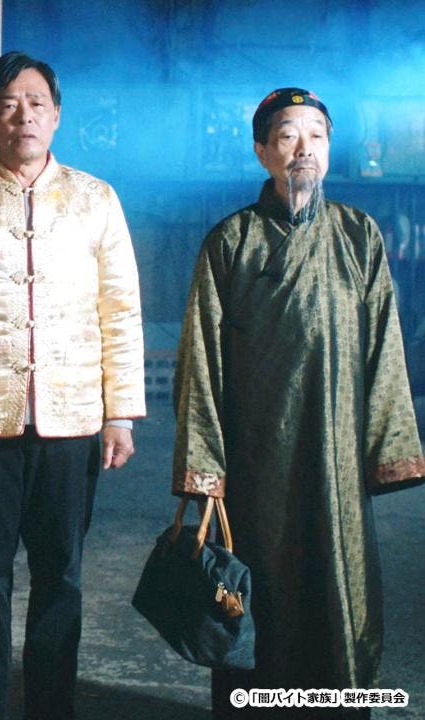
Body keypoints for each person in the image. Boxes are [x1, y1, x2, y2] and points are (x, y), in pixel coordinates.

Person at [0, 51, 146, 720]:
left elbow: (119, 310)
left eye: (36, 102)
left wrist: (120, 413)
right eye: (7, 105)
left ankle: (51, 707)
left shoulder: (96, 199)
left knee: (61, 576)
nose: (23, 116)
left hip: (72, 421)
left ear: (57, 114)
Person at [173, 87, 424, 719]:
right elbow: (201, 359)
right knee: (260, 596)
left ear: (329, 149)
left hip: (337, 457)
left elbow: (384, 349)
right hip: (256, 462)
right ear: (263, 151)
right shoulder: (232, 241)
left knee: (341, 589)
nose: (303, 147)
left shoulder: (358, 235)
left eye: (316, 134)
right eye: (287, 135)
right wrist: (206, 467)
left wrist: (385, 448)